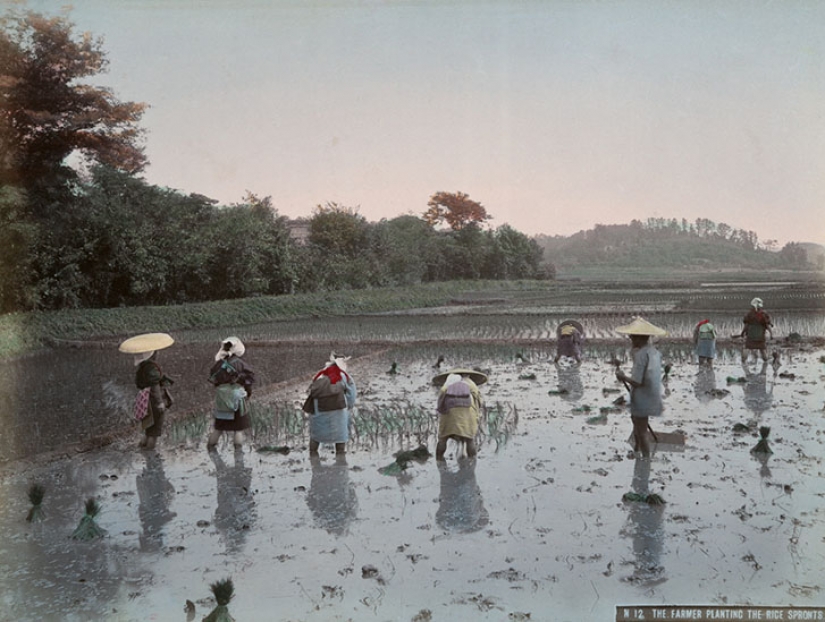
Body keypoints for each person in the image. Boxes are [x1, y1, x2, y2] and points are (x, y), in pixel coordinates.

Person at [614, 318, 666, 459]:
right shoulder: (653, 352)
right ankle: (636, 450)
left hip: (642, 396)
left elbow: (637, 382)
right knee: (636, 422)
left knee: (642, 430)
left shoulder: (641, 355)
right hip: (652, 393)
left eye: (632, 337)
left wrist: (622, 377)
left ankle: (645, 460)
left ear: (638, 338)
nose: (630, 339)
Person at [118, 332, 175, 451]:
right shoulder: (151, 368)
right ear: (151, 354)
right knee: (154, 432)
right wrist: (160, 403)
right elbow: (154, 387)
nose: (157, 353)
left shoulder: (143, 366)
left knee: (149, 429)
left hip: (146, 401)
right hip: (153, 402)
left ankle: (142, 449)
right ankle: (150, 456)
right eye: (155, 351)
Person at [303, 353, 357, 456]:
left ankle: (313, 457)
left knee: (316, 436)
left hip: (319, 410)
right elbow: (351, 395)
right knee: (340, 436)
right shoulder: (344, 377)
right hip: (338, 413)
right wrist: (348, 407)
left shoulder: (319, 375)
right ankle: (340, 458)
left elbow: (311, 391)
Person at [207, 337, 255, 449]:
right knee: (238, 429)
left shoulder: (218, 364)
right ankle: (238, 457)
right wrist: (248, 392)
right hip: (236, 398)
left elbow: (213, 379)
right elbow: (250, 379)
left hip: (222, 399)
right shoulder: (239, 363)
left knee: (218, 428)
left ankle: (210, 449)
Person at [432, 367, 487, 461]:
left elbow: (441, 396)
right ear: (467, 375)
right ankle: (472, 462)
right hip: (467, 414)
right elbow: (478, 399)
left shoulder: (449, 382)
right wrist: (477, 415)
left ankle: (439, 460)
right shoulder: (470, 383)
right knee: (470, 439)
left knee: (443, 438)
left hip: (449, 414)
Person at [741, 297, 773, 363]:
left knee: (747, 348)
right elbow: (768, 326)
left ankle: (743, 363)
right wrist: (771, 334)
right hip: (760, 336)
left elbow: (746, 326)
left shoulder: (749, 314)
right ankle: (765, 364)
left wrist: (742, 333)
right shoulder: (764, 315)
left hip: (751, 336)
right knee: (763, 350)